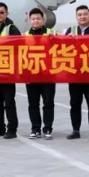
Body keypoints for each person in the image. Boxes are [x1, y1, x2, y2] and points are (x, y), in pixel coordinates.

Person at [65, 5, 89, 140]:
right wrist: (67, 39)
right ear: (76, 17)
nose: (82, 17)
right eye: (79, 15)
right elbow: (62, 49)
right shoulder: (70, 31)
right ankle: (75, 130)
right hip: (74, 74)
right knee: (75, 103)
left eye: (85, 14)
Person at [0, 2, 21, 139]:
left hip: (7, 71)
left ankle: (12, 129)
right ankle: (0, 127)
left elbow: (18, 47)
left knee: (9, 101)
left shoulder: (12, 29)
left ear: (7, 14)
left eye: (1, 12)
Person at [25, 8, 56, 140]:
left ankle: (47, 128)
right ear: (29, 20)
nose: (36, 21)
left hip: (48, 74)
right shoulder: (25, 35)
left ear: (43, 20)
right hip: (31, 74)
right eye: (33, 19)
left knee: (48, 102)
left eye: (38, 19)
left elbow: (62, 49)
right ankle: (35, 128)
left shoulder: (51, 33)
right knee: (33, 103)